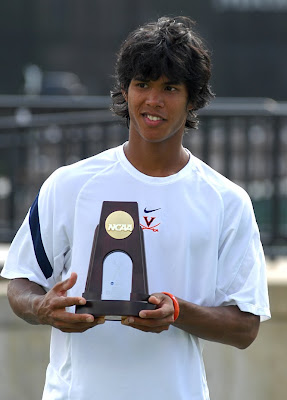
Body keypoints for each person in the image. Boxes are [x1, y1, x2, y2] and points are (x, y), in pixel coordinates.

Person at [1, 16, 270, 400]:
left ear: (193, 98)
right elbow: (20, 283)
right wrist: (41, 306)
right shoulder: (71, 184)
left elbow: (245, 328)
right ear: (125, 92)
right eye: (142, 84)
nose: (153, 100)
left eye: (170, 88)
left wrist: (178, 311)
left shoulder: (225, 200)